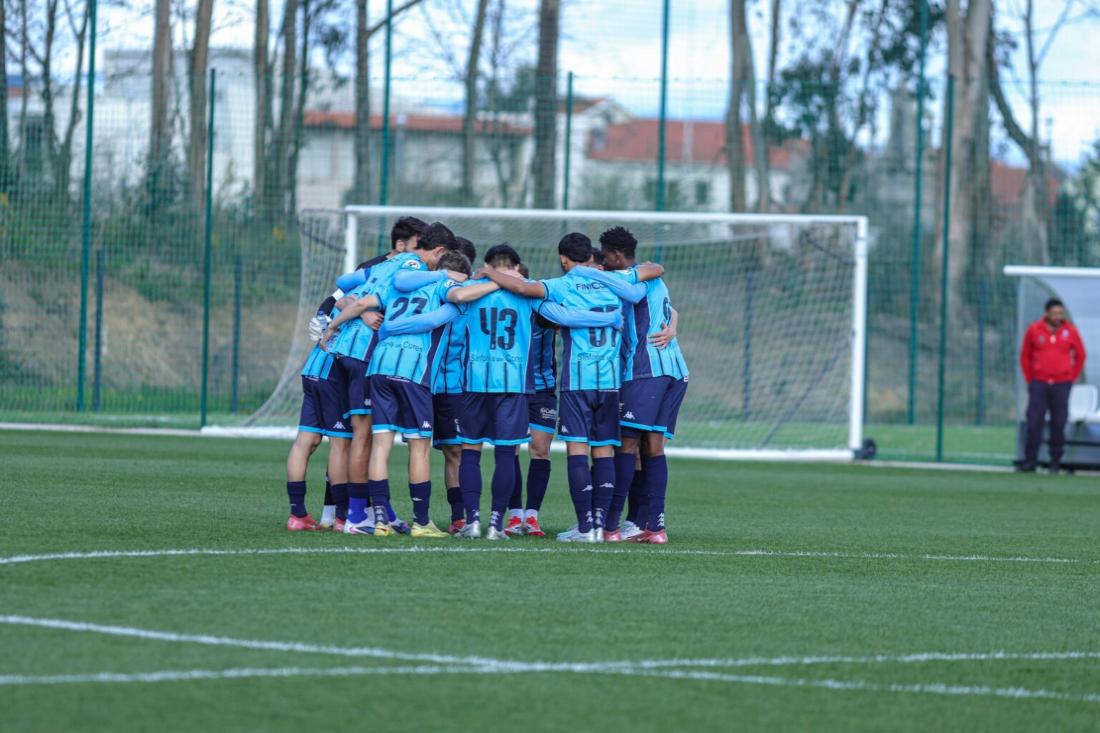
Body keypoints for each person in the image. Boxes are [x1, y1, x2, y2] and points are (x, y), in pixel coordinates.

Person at [453, 244, 621, 539]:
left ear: (489, 265)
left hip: (476, 381)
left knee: (472, 450)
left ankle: (475, 520)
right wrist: (608, 319)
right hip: (514, 383)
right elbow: (567, 317)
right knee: (507, 453)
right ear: (516, 268)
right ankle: (495, 523)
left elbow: (448, 306)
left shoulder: (469, 291)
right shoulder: (527, 296)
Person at [579, 226, 687, 544]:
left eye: (605, 257)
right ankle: (652, 525)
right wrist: (675, 326)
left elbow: (636, 288)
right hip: (674, 369)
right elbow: (671, 307)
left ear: (614, 255)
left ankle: (610, 527)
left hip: (646, 370)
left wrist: (590, 275)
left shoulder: (632, 278)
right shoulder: (651, 277)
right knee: (651, 447)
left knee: (626, 446)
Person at [1018, 298, 1086, 473]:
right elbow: (1025, 355)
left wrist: (1071, 377)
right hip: (1039, 383)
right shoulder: (1034, 329)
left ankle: (1055, 461)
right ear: (1047, 313)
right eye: (1054, 313)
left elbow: (1080, 355)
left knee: (1059, 422)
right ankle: (1029, 461)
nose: (1058, 316)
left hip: (1061, 384)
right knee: (1034, 422)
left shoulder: (1070, 331)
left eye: (1060, 313)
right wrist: (1030, 378)